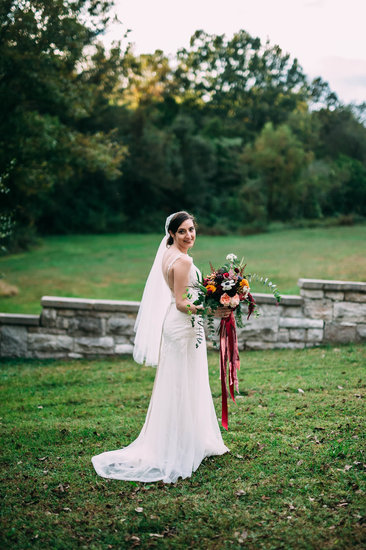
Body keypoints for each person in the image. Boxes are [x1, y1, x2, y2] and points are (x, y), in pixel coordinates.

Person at [91, 211, 229, 483]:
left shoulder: (169, 254)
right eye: (182, 231)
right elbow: (181, 302)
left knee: (181, 383)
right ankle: (178, 447)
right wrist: (213, 309)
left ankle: (186, 439)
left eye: (191, 229)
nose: (189, 235)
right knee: (182, 384)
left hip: (178, 326)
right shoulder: (183, 261)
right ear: (172, 234)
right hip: (182, 326)